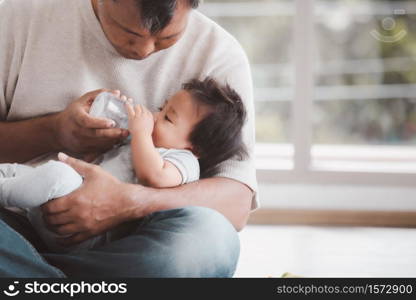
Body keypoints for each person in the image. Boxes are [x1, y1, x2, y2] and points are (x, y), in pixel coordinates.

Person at [0, 0, 258, 277]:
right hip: (16, 219)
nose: (144, 50)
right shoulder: (16, 19)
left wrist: (127, 202)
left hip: (129, 240)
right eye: (130, 32)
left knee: (207, 239)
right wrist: (55, 132)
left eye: (166, 38)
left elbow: (236, 202)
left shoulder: (216, 55)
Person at [0, 78, 248, 253]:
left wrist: (140, 133)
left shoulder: (183, 161)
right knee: (20, 171)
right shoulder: (140, 144)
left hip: (83, 232)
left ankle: (6, 194)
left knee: (56, 173)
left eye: (168, 118)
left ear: (196, 148)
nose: (155, 116)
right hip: (54, 203)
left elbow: (154, 177)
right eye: (162, 109)